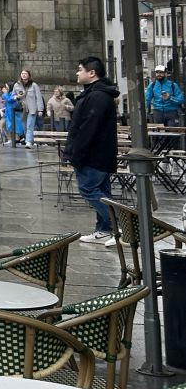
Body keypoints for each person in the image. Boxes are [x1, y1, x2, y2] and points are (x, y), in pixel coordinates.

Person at [67, 55, 119, 246]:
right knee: (101, 191)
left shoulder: (97, 96)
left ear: (92, 73)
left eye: (80, 69)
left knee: (88, 189)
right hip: (98, 154)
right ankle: (104, 230)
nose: (77, 73)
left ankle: (123, 227)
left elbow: (87, 128)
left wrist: (75, 154)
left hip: (93, 154)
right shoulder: (95, 94)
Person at [14, 69, 45, 148]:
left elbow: (38, 97)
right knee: (24, 126)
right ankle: (30, 139)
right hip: (22, 108)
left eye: (25, 74)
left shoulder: (34, 85)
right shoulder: (17, 85)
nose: (24, 75)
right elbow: (13, 95)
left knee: (30, 125)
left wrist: (40, 109)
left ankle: (28, 142)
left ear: (29, 75)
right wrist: (16, 97)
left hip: (32, 108)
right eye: (22, 73)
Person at [147, 65, 183, 131]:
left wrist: (169, 98)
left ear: (165, 73)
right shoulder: (152, 85)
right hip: (158, 113)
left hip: (171, 112)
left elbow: (180, 100)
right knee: (158, 136)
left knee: (172, 134)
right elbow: (147, 99)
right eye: (157, 72)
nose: (159, 74)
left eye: (161, 72)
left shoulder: (173, 85)